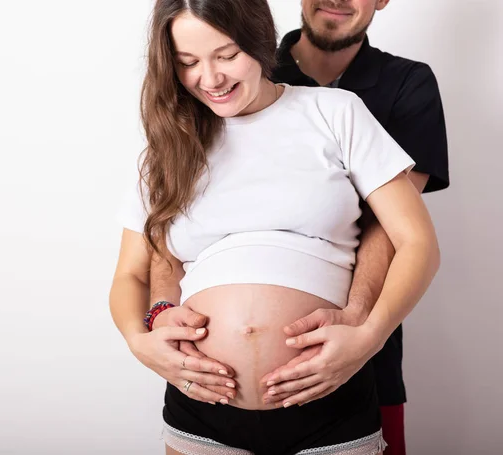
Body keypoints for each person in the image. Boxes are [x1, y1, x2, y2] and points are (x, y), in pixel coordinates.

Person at [109, 0, 441, 454]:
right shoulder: (169, 147)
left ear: (259, 40)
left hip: (331, 398)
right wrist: (139, 340)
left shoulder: (335, 112)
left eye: (226, 55)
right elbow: (131, 272)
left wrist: (369, 335)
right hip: (201, 406)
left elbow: (416, 241)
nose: (210, 78)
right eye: (188, 63)